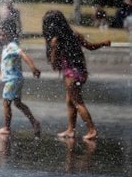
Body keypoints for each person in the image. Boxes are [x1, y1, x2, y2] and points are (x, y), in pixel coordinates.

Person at [41, 10, 111, 141]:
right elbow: (90, 46)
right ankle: (70, 130)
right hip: (81, 72)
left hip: (70, 75)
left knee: (78, 103)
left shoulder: (56, 41)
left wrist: (52, 53)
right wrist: (103, 43)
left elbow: (54, 64)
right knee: (70, 101)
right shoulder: (74, 34)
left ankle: (92, 130)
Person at [0, 19, 41, 137]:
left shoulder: (12, 45)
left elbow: (23, 54)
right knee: (18, 103)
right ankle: (34, 122)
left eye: (2, 34)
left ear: (10, 33)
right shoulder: (7, 47)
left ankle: (6, 128)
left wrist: (33, 67)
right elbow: (2, 60)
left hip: (12, 80)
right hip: (16, 79)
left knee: (6, 103)